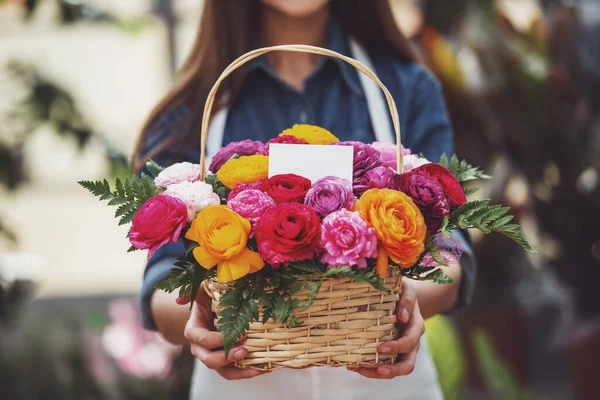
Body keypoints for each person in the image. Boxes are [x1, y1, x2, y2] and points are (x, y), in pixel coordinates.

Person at [133, 1, 476, 399]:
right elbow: (162, 282)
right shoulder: (190, 110)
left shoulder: (407, 88)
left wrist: (404, 301)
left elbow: (452, 251)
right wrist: (203, 315)